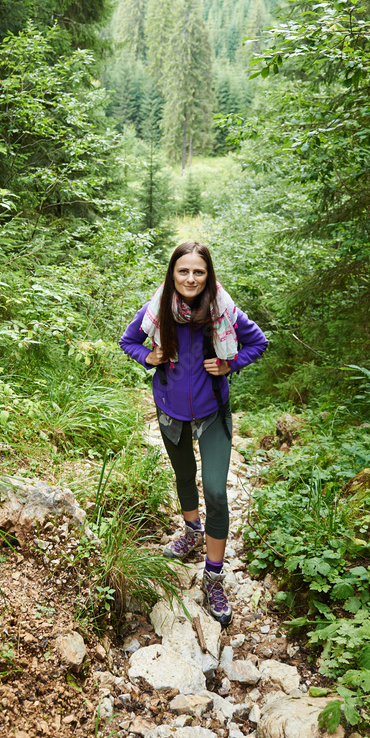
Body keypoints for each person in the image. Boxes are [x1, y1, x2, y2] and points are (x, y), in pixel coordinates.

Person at [119, 241, 268, 627]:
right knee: (184, 476)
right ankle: (191, 533)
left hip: (212, 412)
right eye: (183, 271)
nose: (190, 278)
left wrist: (228, 363)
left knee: (217, 492)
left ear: (208, 275)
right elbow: (129, 341)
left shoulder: (223, 310)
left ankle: (214, 576)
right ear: (173, 273)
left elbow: (258, 342)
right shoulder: (158, 309)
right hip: (170, 409)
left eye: (198, 272)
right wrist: (147, 357)